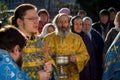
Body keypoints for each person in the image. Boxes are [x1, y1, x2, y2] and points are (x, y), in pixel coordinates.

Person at [11, 3, 58, 80]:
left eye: (37, 18)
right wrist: (36, 77)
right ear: (19, 21)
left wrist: (50, 69)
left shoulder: (39, 42)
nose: (36, 22)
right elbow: (7, 73)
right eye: (31, 19)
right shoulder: (10, 44)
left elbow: (49, 62)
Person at [43, 13, 90, 80]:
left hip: (72, 76)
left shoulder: (77, 38)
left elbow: (85, 55)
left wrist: (76, 58)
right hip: (53, 75)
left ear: (69, 23)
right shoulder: (48, 38)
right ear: (56, 23)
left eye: (65, 22)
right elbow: (41, 55)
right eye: (60, 22)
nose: (63, 25)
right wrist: (49, 57)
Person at [70, 15, 97, 80]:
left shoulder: (85, 37)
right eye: (76, 24)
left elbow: (91, 55)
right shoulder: (68, 37)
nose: (78, 26)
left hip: (85, 69)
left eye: (80, 24)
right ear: (72, 25)